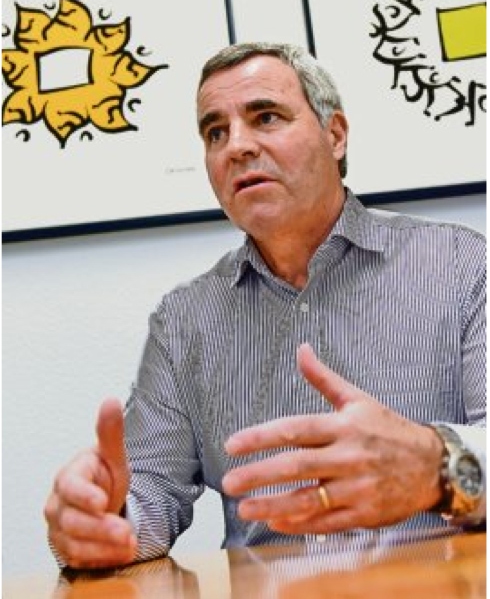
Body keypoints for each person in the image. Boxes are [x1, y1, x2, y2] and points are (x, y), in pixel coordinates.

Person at [44, 42, 486, 570]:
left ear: (335, 135)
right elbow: (147, 495)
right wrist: (100, 518)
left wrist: (438, 466)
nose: (236, 146)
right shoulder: (184, 320)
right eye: (215, 132)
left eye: (266, 117)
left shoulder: (463, 265)